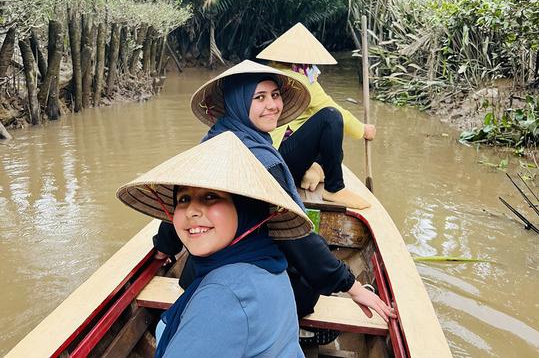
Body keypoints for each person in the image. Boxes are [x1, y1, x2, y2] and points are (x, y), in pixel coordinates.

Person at [186, 60, 396, 333]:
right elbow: (295, 237)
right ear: (237, 102)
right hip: (245, 284)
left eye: (275, 95)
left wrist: (163, 248)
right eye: (259, 97)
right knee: (307, 286)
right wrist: (351, 285)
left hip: (195, 275)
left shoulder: (210, 141)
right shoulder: (264, 163)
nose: (273, 105)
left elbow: (177, 207)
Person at [116, 132, 313, 357]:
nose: (191, 211)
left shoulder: (222, 297)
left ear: (245, 208)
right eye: (183, 199)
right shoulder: (268, 261)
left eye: (210, 197)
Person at [256, 22, 376, 209]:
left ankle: (315, 170)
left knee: (331, 144)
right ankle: (334, 188)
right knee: (331, 117)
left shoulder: (270, 73)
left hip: (272, 157)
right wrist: (364, 130)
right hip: (278, 161)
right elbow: (334, 110)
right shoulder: (300, 80)